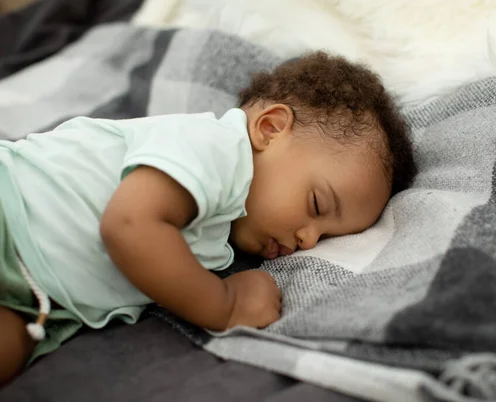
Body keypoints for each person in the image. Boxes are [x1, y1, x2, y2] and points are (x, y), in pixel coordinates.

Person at [0, 51, 416, 385]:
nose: (308, 239)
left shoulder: (219, 238)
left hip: (37, 300)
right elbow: (129, 226)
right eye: (317, 206)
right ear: (270, 129)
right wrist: (225, 306)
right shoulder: (215, 148)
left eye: (326, 236)